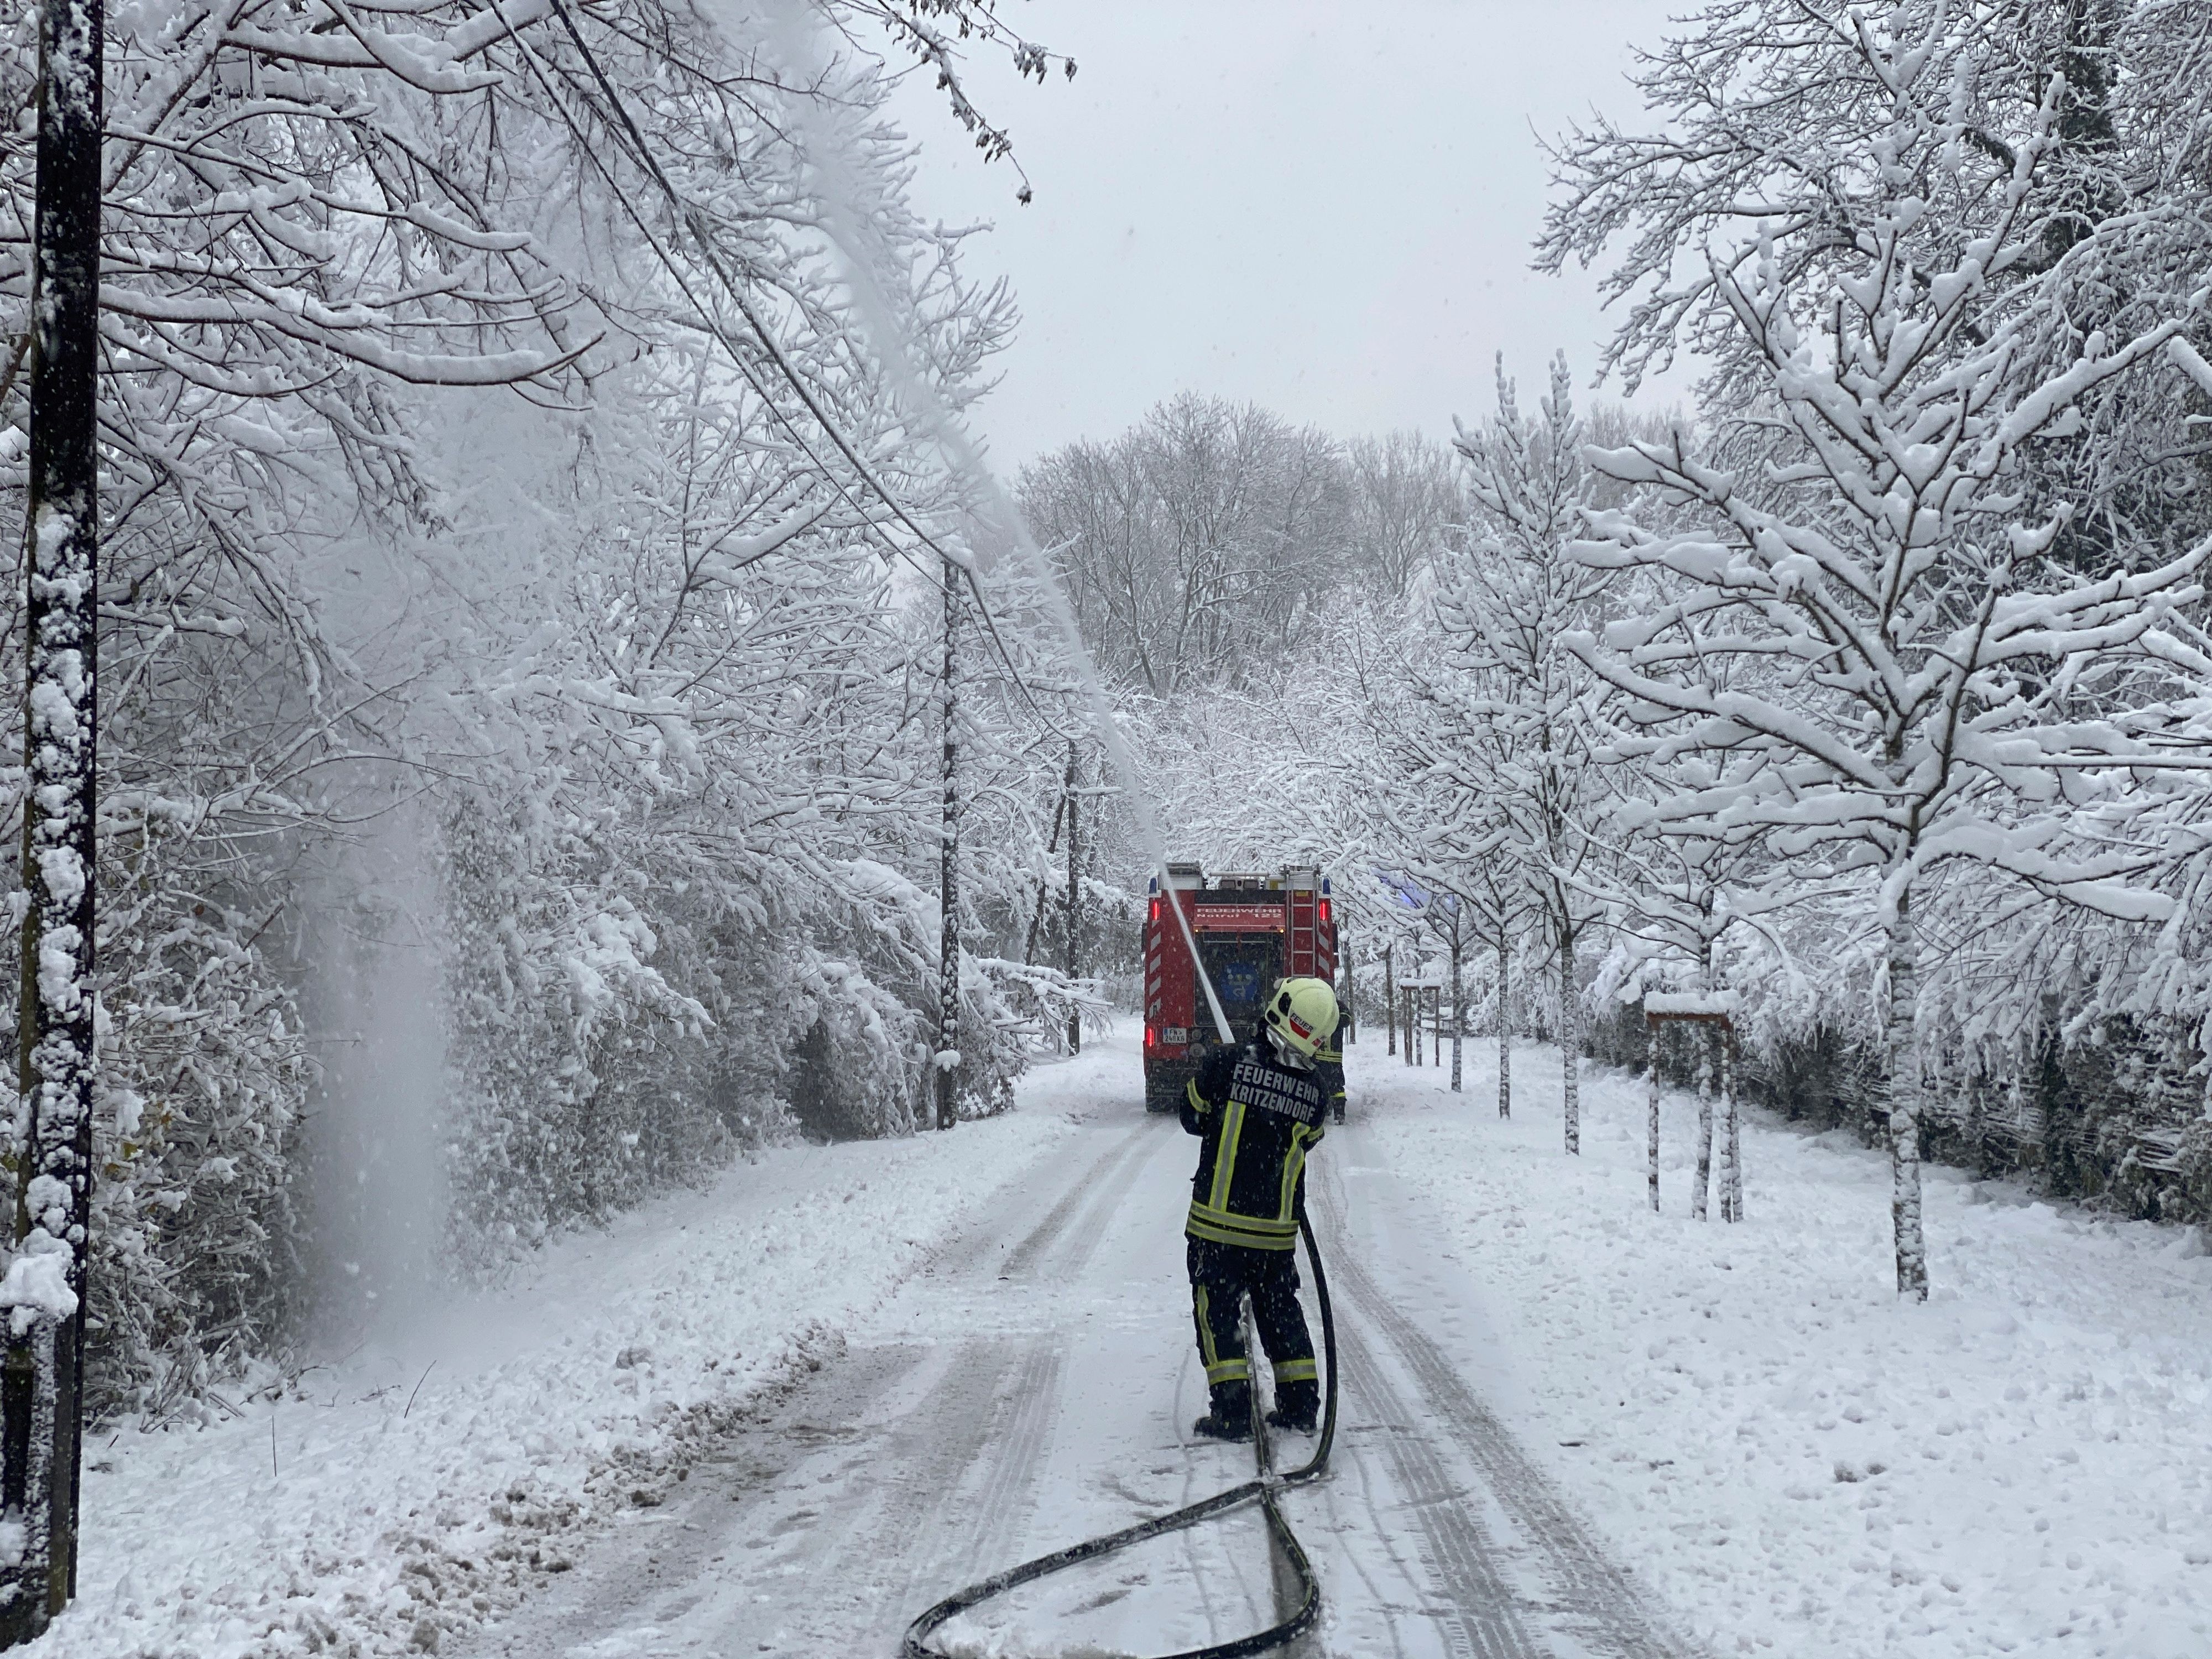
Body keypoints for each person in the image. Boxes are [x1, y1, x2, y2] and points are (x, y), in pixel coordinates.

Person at [1179, 975, 1344, 1442]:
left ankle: (1232, 1414)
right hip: (1275, 1234)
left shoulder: (1225, 1065)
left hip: (1217, 1228)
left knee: (1219, 1313)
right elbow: (1305, 1142)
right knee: (1280, 1311)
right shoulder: (1315, 1093)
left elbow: (1192, 1116)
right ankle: (1299, 1405)